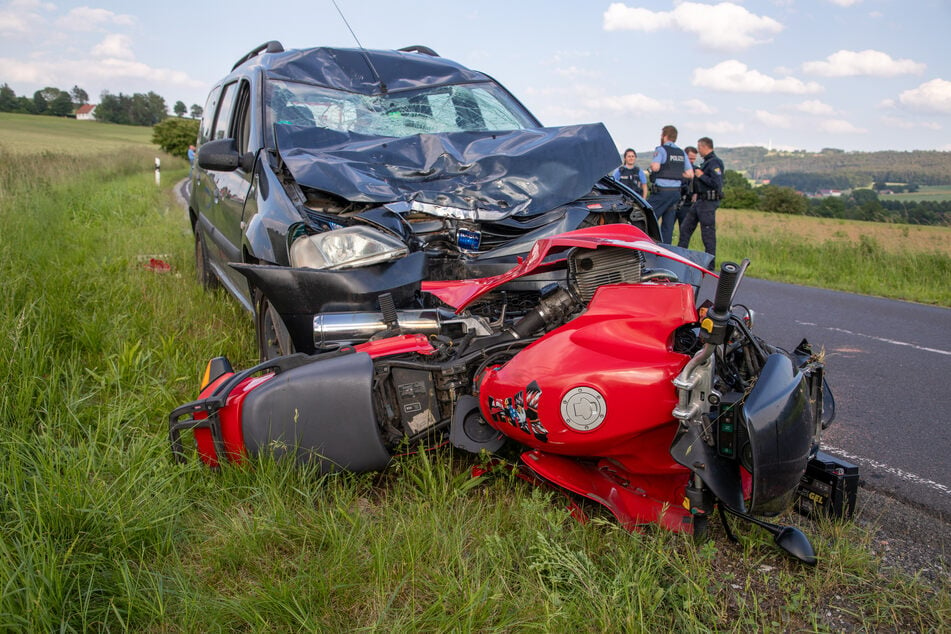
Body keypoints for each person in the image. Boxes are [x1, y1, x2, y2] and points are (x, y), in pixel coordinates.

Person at [678, 137, 724, 268]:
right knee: (685, 229)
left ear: (705, 147)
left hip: (708, 202)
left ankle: (710, 264)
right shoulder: (706, 162)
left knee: (708, 233)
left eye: (699, 148)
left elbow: (717, 184)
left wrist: (701, 175)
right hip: (699, 201)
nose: (698, 151)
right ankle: (680, 258)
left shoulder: (714, 163)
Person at [648, 125, 693, 244]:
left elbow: (656, 167)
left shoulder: (661, 150)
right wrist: (676, 174)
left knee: (647, 218)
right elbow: (690, 174)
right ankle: (665, 249)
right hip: (675, 193)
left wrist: (652, 167)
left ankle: (646, 247)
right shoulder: (681, 153)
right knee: (668, 225)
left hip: (661, 191)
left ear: (665, 136)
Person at [676, 145, 699, 235]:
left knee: (684, 230)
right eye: (690, 158)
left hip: (687, 203)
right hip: (674, 201)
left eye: (694, 159)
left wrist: (696, 193)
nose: (692, 161)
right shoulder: (676, 169)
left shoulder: (696, 170)